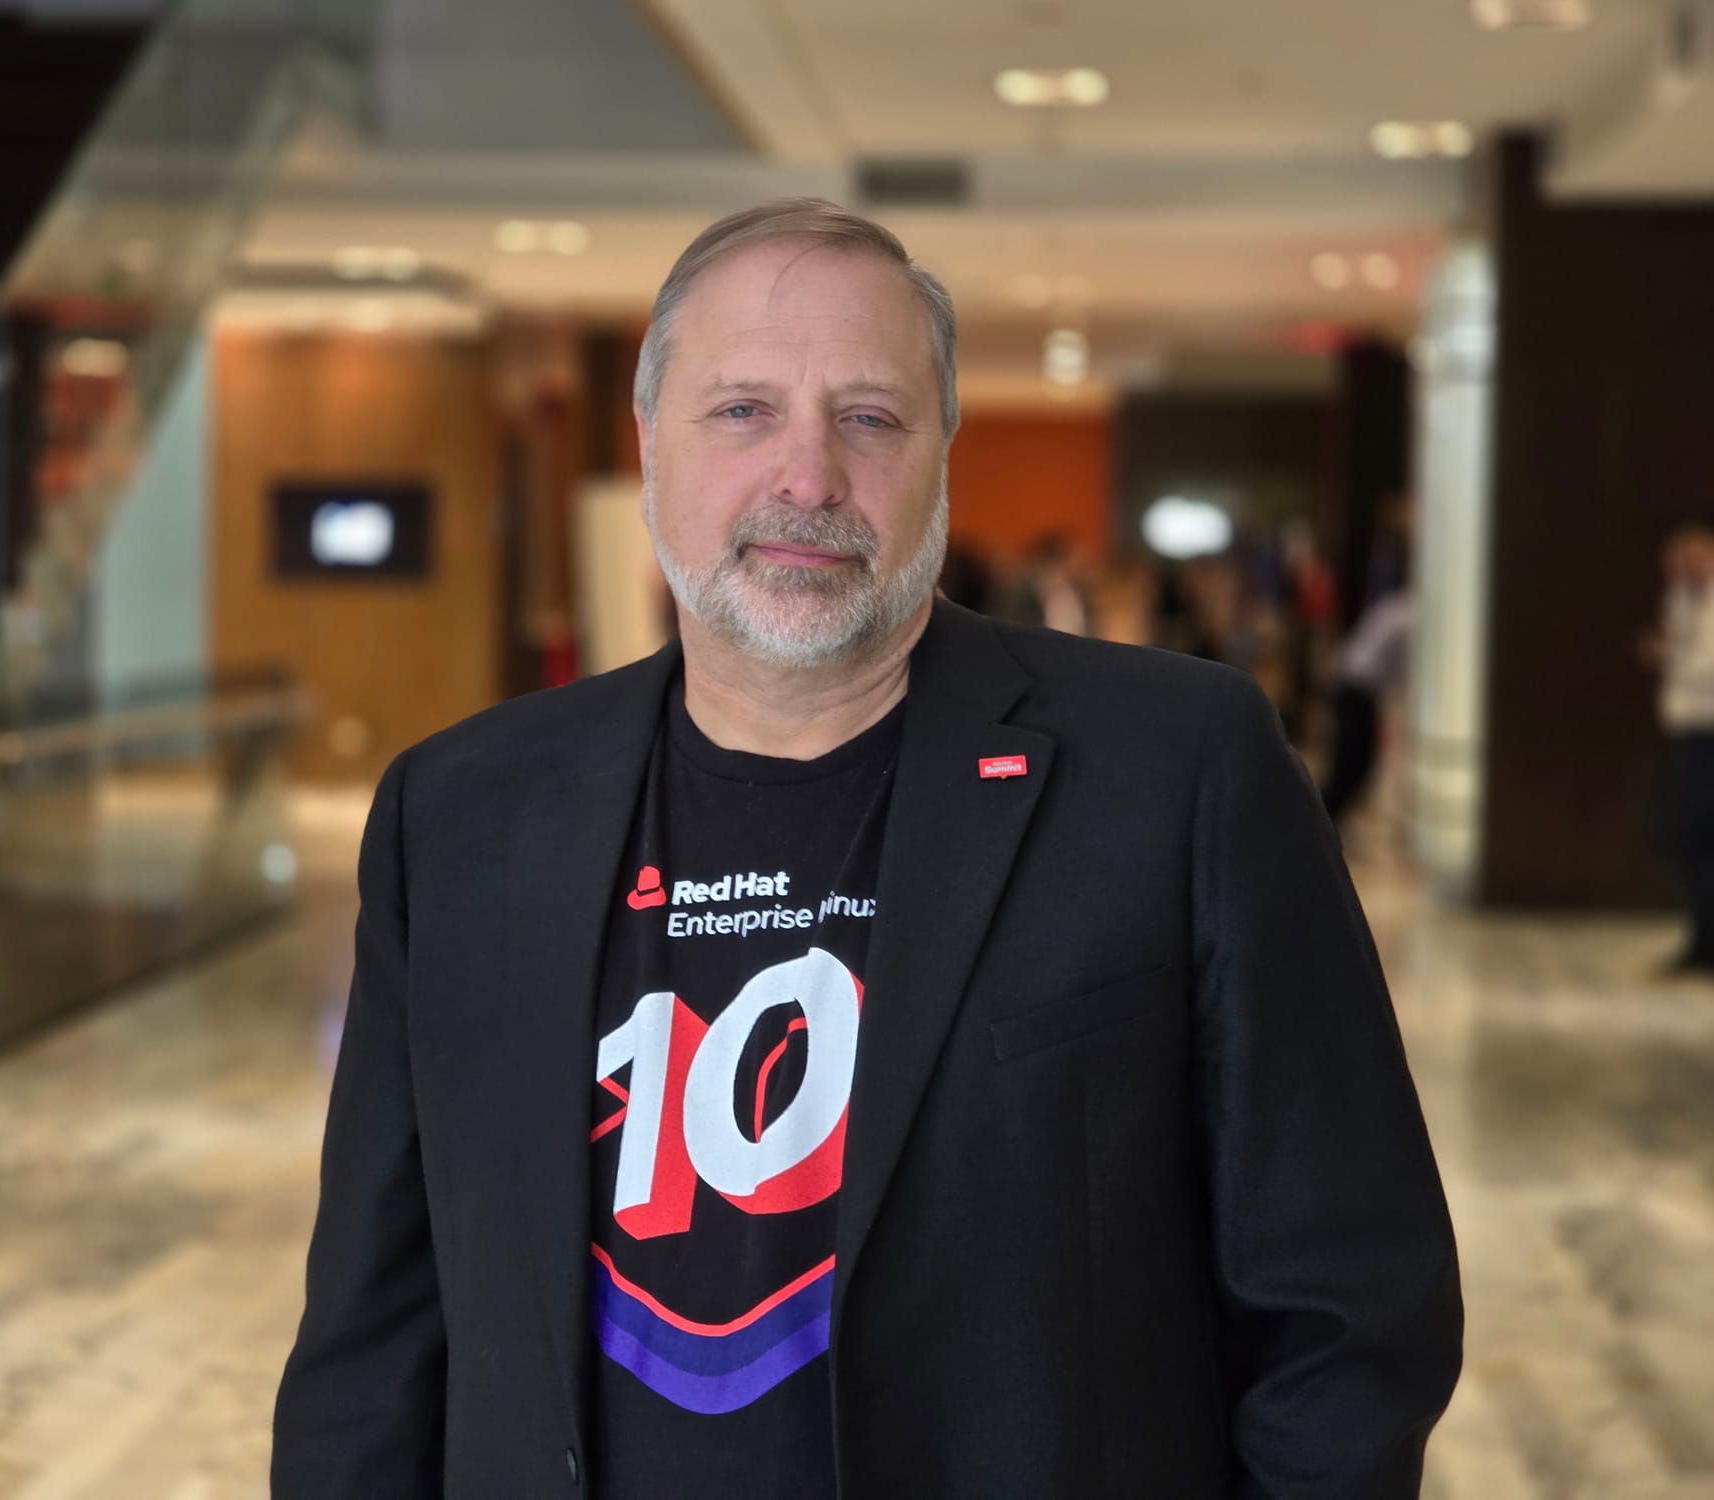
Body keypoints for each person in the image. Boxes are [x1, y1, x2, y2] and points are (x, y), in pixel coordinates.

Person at [271, 199, 1462, 1499]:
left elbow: (1347, 1311)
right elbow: (372, 1344)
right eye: (744, 410)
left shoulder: (1177, 771)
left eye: (870, 417)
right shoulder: (460, 815)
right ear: (650, 441)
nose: (808, 478)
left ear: (940, 452)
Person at [1649, 518, 1714, 974]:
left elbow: (1703, 663)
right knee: (1686, 837)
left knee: (1688, 831)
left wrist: (1671, 654)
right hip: (1689, 729)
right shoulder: (1684, 597)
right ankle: (1702, 939)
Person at [1320, 578, 1415, 827]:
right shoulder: (1409, 617)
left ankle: (1328, 820)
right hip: (1356, 689)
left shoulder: (1397, 607)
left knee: (1356, 764)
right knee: (1351, 764)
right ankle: (1323, 821)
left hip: (1357, 686)